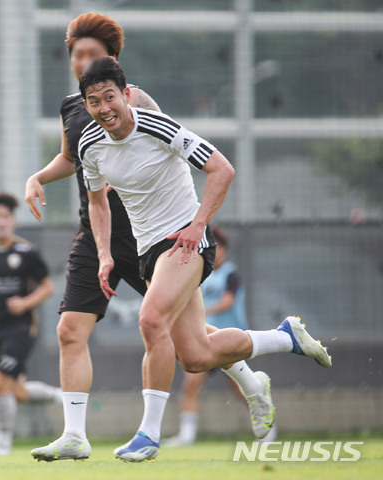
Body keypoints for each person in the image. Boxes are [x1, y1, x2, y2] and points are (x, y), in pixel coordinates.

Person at [28, 13, 274, 462]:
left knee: (184, 339)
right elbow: (73, 160)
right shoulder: (75, 107)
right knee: (69, 329)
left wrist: (196, 224)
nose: (83, 62)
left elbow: (177, 160)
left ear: (116, 66)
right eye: (76, 56)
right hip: (97, 233)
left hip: (152, 235)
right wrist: (38, 177)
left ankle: (245, 379)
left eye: (92, 55)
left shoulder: (141, 107)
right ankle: (75, 436)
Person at [77, 56, 331, 462]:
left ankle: (148, 434)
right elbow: (97, 203)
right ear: (85, 104)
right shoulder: (89, 144)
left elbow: (222, 169)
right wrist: (105, 254)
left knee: (150, 319)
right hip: (148, 253)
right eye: (93, 101)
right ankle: (286, 338)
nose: (103, 107)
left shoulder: (156, 125)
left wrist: (198, 226)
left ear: (126, 94)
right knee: (195, 356)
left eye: (110, 97)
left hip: (184, 242)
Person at [0, 192, 62, 455]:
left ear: (13, 221)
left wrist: (25, 303)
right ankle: (58, 396)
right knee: (16, 391)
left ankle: (4, 440)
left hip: (22, 328)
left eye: (6, 217)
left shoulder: (26, 252)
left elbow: (47, 288)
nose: (1, 222)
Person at [165, 226, 277, 446]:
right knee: (191, 385)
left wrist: (198, 315)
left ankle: (269, 430)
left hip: (228, 341)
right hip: (203, 340)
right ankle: (187, 435)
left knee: (241, 388)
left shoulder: (230, 274)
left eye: (216, 248)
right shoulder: (200, 274)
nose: (212, 253)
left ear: (223, 249)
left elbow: (228, 301)